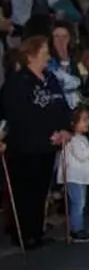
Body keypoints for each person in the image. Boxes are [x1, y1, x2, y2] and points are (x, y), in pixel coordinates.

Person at [1, 36, 73, 249]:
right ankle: (22, 233)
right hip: (24, 146)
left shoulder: (50, 79)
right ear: (31, 55)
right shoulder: (17, 82)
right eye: (44, 52)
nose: (48, 57)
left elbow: (61, 105)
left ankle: (36, 230)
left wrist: (64, 129)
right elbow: (18, 115)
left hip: (48, 145)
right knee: (25, 190)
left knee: (41, 189)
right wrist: (43, 134)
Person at [58, 107, 89, 243]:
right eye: (84, 120)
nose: (87, 122)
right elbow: (82, 155)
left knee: (80, 202)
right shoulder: (73, 140)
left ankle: (79, 227)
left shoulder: (81, 138)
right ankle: (76, 229)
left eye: (88, 119)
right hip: (75, 177)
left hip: (81, 177)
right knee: (78, 203)